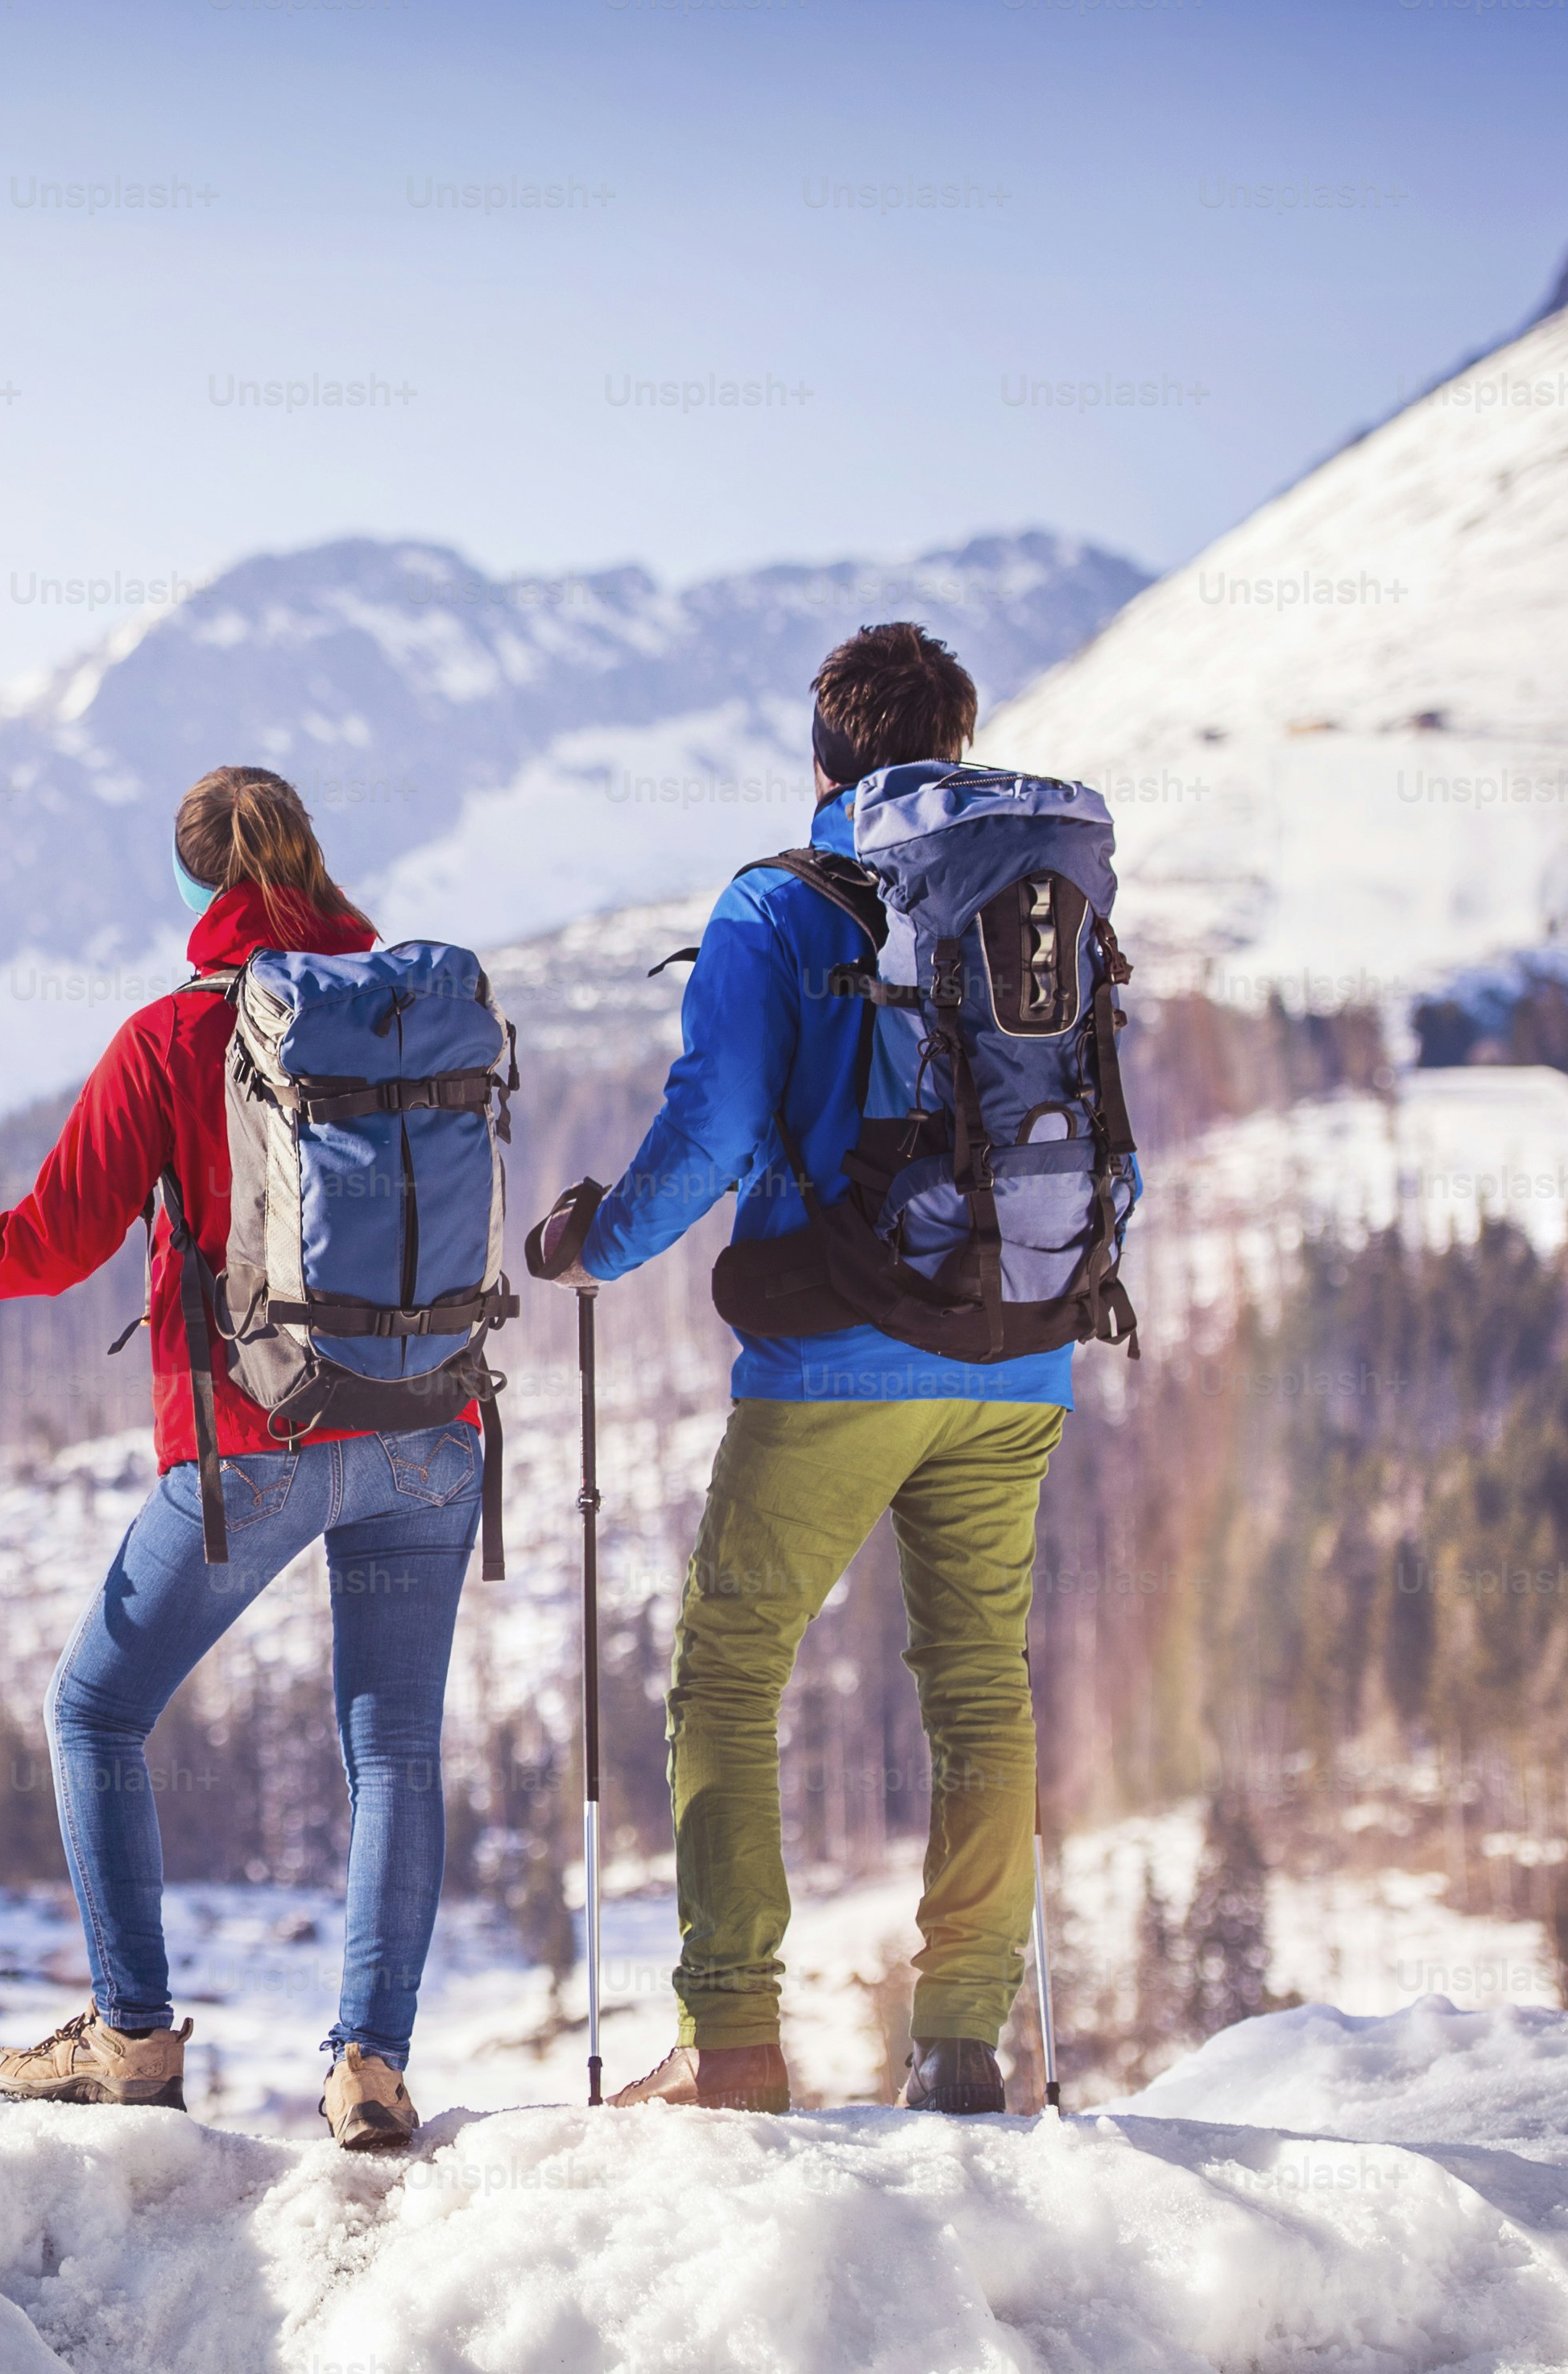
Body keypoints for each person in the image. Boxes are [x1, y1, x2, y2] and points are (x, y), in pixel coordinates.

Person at [0, 765, 483, 2154]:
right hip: (434, 1430)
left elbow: (42, 1247)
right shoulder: (419, 1013)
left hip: (261, 1445)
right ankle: (371, 2069)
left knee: (98, 1713)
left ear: (193, 894)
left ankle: (132, 2036)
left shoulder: (176, 1038)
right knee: (395, 1745)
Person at [568, 622, 1077, 2117]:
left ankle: (731, 2042)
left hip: (842, 1354)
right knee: (980, 1684)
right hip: (1019, 1348)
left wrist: (597, 1244)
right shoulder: (1033, 897)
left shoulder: (776, 905)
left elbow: (716, 1125)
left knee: (728, 1671)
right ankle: (965, 2045)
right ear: (959, 747)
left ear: (824, 761)